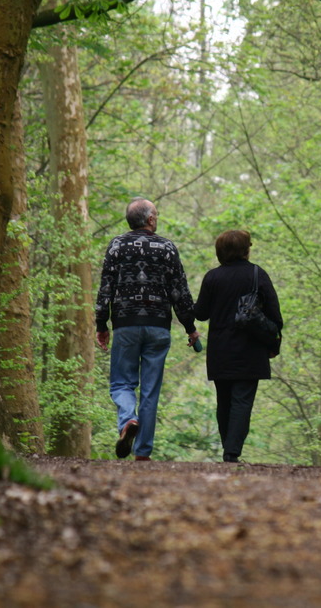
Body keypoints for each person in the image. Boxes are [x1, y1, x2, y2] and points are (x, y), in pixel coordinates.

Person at [95, 198, 201, 461]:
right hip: (158, 327)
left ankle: (128, 419)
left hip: (126, 325)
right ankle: (142, 453)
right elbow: (180, 292)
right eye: (157, 214)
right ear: (150, 219)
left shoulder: (117, 245)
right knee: (150, 391)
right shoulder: (166, 248)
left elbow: (105, 289)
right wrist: (191, 327)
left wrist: (101, 324)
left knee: (122, 383)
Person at [194, 230, 283, 463]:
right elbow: (275, 316)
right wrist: (274, 344)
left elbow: (201, 313)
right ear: (245, 249)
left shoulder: (212, 277)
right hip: (251, 350)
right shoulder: (257, 274)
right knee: (242, 402)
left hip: (220, 350)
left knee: (224, 402)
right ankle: (231, 453)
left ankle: (229, 451)